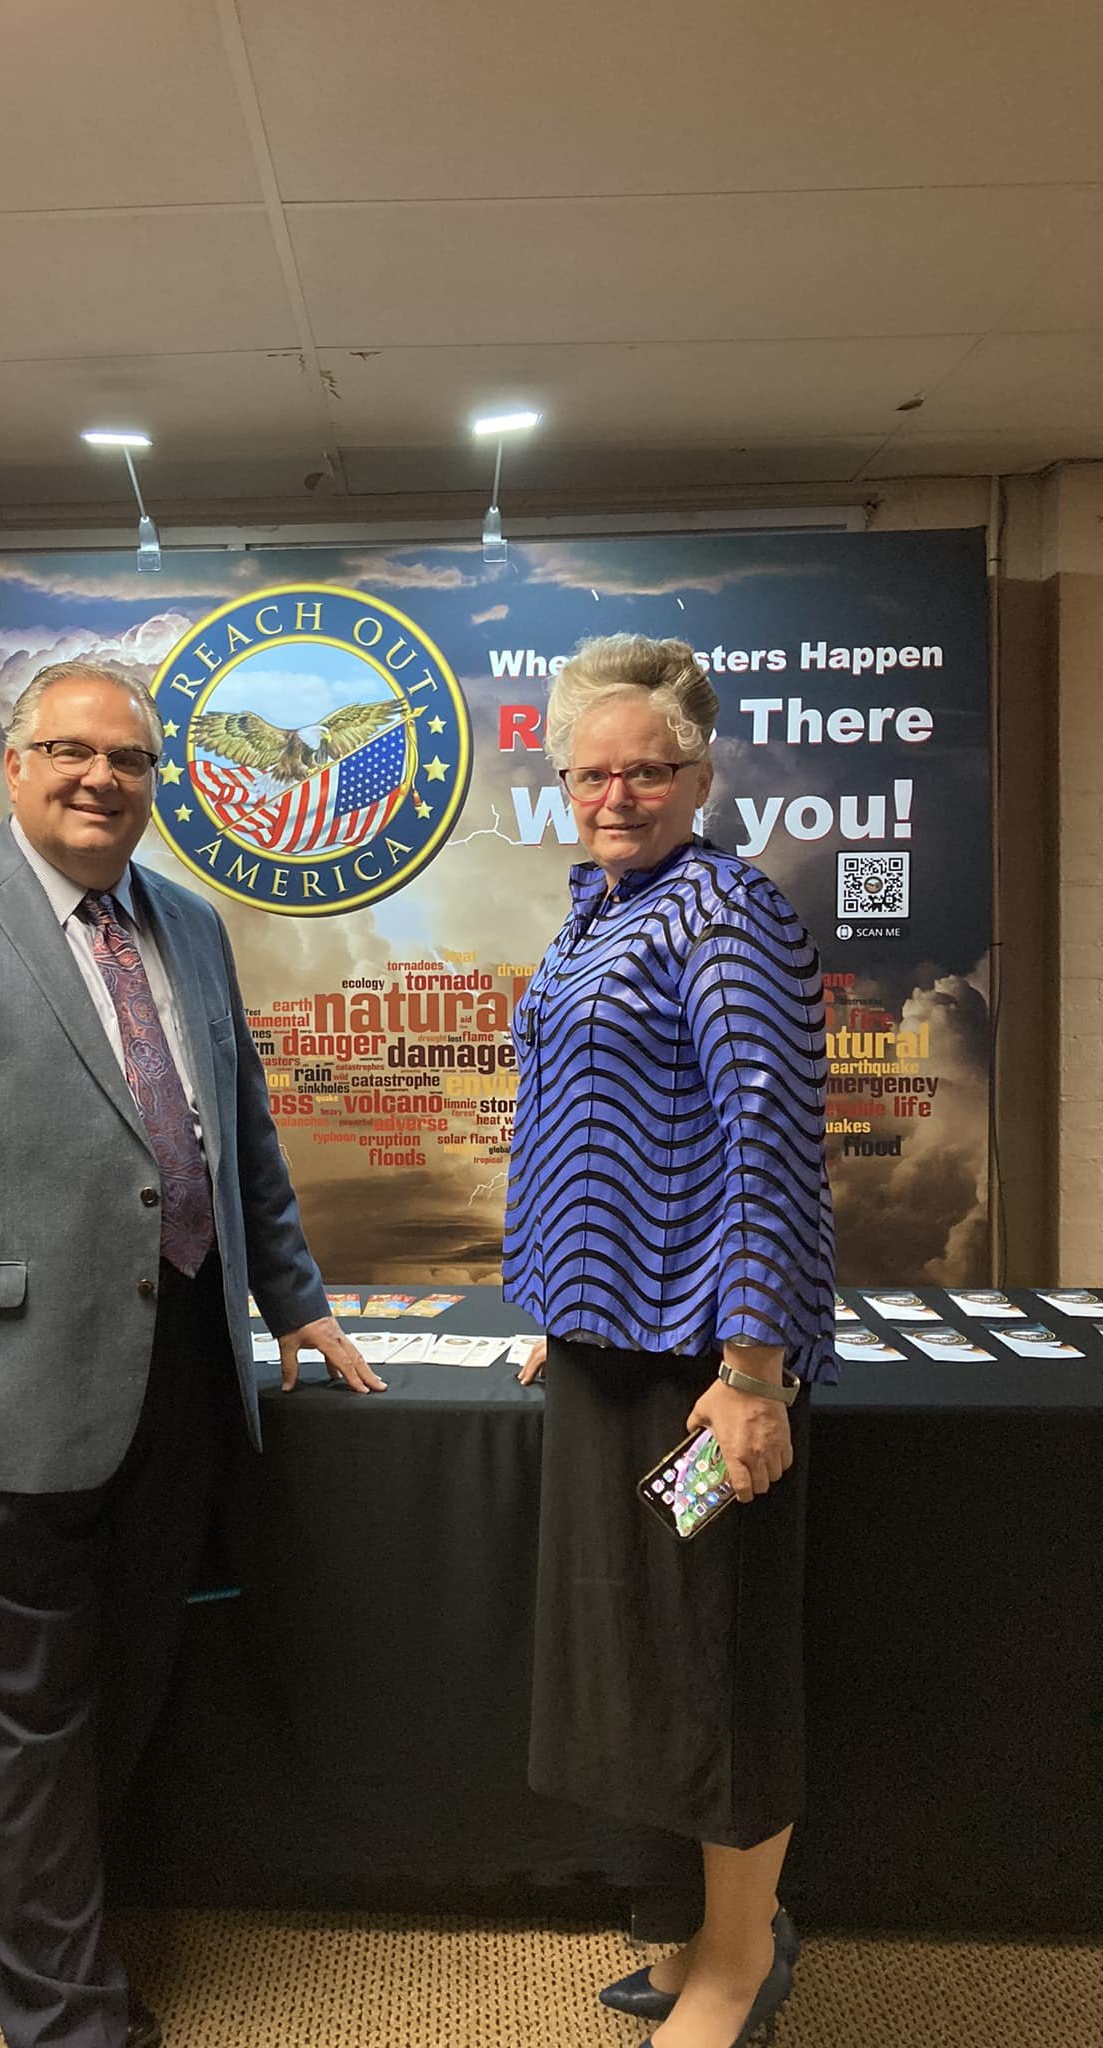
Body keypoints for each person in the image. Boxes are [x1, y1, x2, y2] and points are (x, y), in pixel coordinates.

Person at [0, 659, 382, 2048]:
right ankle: (63, 2018)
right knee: (22, 1723)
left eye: (126, 759)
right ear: (16, 765)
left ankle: (38, 1938)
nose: (99, 778)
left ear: (156, 781)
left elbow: (233, 1136)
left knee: (121, 1689)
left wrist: (294, 1302)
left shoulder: (188, 922)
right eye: (69, 751)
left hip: (177, 1376)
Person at [503, 634, 834, 2048]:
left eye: (649, 771)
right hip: (615, 1352)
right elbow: (604, 1122)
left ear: (702, 774)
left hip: (704, 1380)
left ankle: (742, 1964)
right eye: (591, 772)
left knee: (714, 1654)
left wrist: (751, 1375)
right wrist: (567, 1308)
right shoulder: (602, 904)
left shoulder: (722, 914)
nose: (617, 794)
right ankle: (726, 1927)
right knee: (655, 1646)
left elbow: (765, 1143)